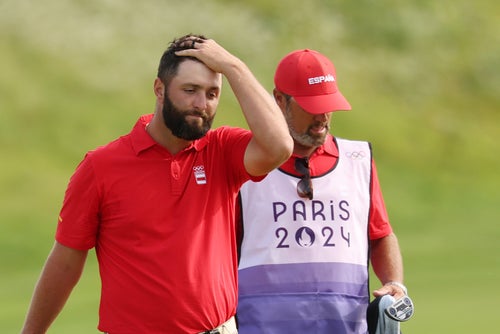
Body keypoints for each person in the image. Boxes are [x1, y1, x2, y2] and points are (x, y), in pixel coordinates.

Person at [21, 34, 293, 334]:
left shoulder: (222, 150)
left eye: (212, 93)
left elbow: (279, 145)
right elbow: (66, 261)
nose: (201, 104)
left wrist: (233, 67)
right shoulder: (101, 167)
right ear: (159, 89)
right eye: (190, 90)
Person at [236, 49, 407, 333]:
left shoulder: (359, 159)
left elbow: (379, 234)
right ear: (279, 100)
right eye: (310, 106)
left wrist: (394, 283)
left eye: (328, 105)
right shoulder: (241, 164)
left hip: (346, 326)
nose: (323, 117)